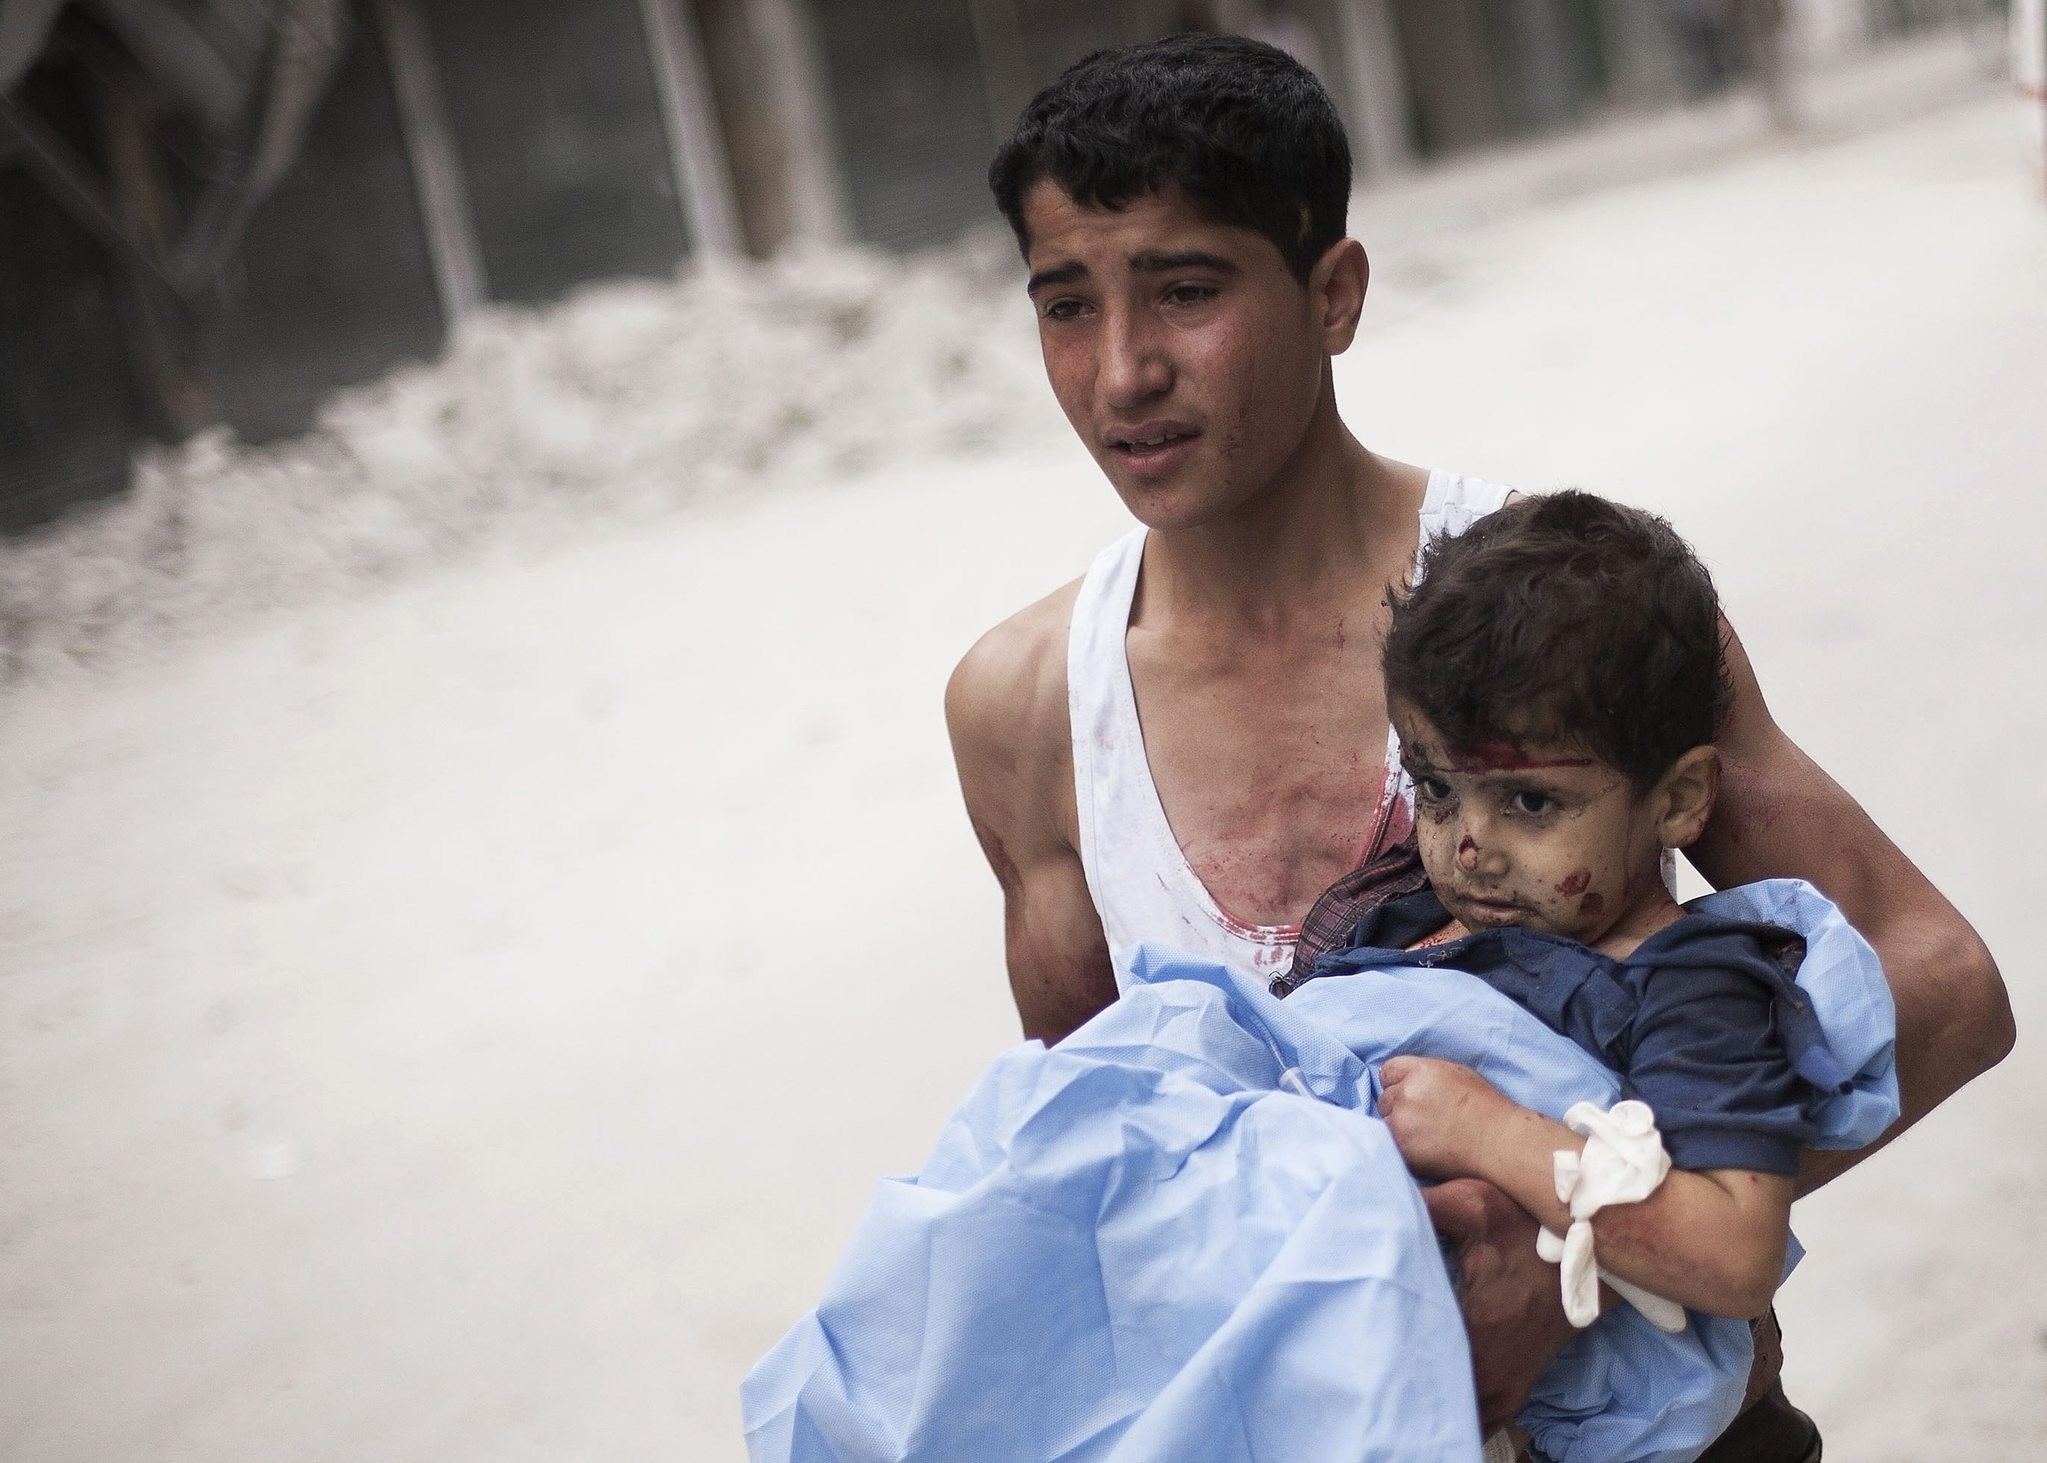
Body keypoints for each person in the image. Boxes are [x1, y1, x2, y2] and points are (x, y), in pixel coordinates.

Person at [944, 33, 2011, 1456]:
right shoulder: (1031, 712)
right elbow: (1109, 1159)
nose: (1123, 371)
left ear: (1334, 294)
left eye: (1187, 291)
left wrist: (1585, 1258)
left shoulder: (1557, 604)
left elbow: (1939, 983)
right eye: (1066, 306)